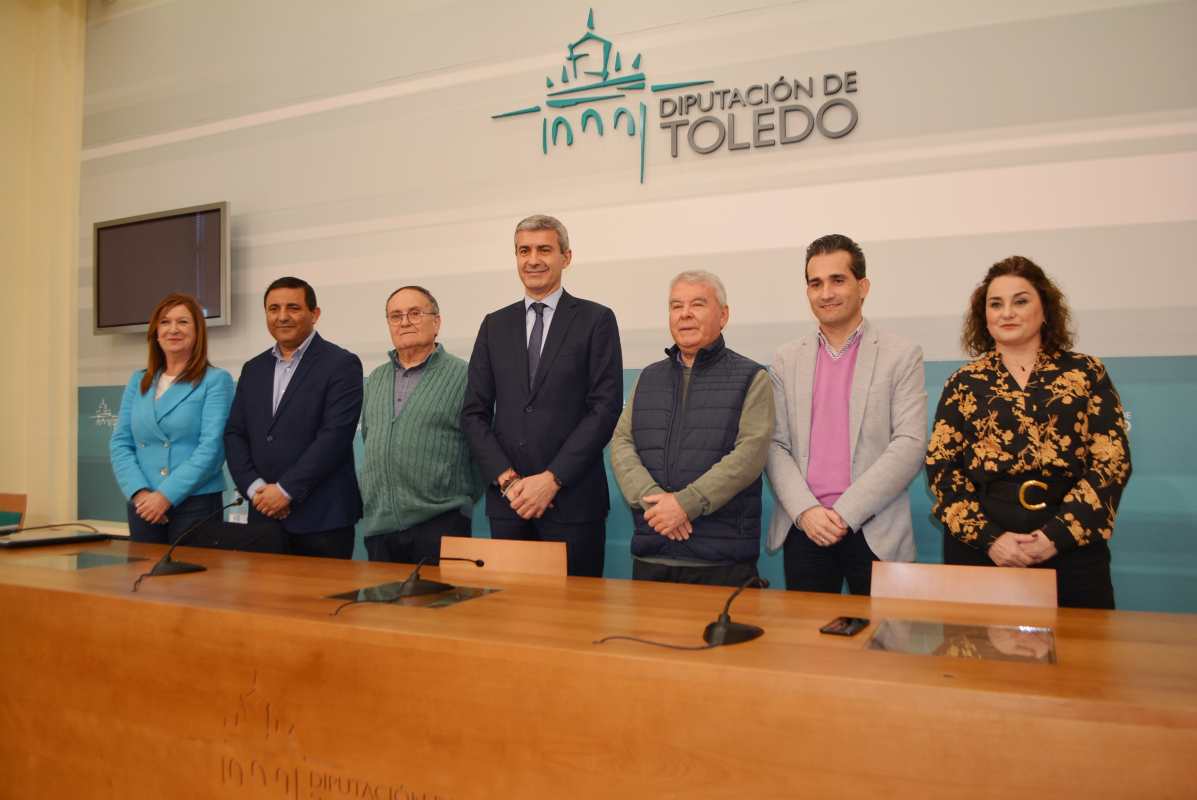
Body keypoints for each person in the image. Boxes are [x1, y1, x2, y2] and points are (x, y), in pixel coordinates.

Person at [926, 255, 1132, 608]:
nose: (1007, 313)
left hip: (1072, 550)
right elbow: (942, 471)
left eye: (1020, 301)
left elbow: (1111, 463)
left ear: (1045, 309)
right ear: (984, 316)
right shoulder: (963, 383)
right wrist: (991, 539)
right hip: (983, 551)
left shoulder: (1085, 373)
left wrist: (1056, 536)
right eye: (996, 304)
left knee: (1081, 660)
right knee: (983, 663)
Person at [461, 214, 622, 577]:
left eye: (544, 249)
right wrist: (508, 481)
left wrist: (552, 479)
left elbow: (605, 409)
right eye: (524, 250)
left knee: (572, 623)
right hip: (509, 504)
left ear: (566, 257)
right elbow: (473, 413)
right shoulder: (494, 325)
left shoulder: (596, 320)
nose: (533, 259)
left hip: (573, 503)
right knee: (510, 621)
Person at [766, 234, 927, 595]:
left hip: (875, 530)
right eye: (816, 283)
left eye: (838, 280)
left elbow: (911, 444)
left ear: (863, 286)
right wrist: (807, 512)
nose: (826, 293)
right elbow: (774, 445)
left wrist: (844, 513)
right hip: (805, 528)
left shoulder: (901, 354)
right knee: (808, 648)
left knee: (885, 646)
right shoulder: (785, 359)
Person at [610, 271, 773, 586]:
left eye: (697, 304)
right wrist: (653, 501)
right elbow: (621, 444)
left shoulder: (752, 377)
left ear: (723, 315)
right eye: (675, 306)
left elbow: (750, 455)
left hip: (721, 561)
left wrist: (686, 504)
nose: (684, 314)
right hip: (652, 552)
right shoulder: (648, 377)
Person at [224, 277, 364, 558]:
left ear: (315, 314)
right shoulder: (253, 368)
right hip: (263, 517)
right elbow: (235, 434)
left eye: (293, 307)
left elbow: (334, 438)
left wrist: (285, 491)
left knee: (321, 603)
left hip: (322, 520)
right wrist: (257, 489)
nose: (282, 316)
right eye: (273, 308)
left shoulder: (341, 364)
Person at [360, 286, 481, 564]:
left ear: (436, 322)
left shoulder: (465, 376)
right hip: (381, 528)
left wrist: (457, 500)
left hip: (441, 524)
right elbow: (369, 437)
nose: (404, 322)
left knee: (441, 607)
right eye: (395, 316)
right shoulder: (375, 379)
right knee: (385, 608)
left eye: (415, 313)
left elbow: (482, 450)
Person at [109, 293, 234, 542]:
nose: (173, 329)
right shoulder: (138, 380)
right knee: (143, 578)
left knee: (191, 581)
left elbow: (212, 448)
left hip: (194, 504)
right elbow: (120, 442)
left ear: (198, 331)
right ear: (156, 332)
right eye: (165, 322)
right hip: (143, 505)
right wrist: (139, 492)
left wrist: (165, 497)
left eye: (183, 322)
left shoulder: (216, 380)